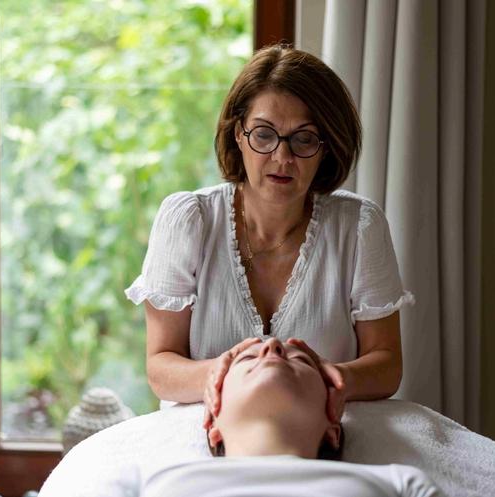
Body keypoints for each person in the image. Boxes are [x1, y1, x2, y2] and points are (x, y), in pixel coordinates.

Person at [125, 44, 414, 428]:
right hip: (201, 433)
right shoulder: (188, 221)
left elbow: (386, 365)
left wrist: (320, 380)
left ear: (327, 149)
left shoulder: (359, 226)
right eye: (264, 135)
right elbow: (161, 367)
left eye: (304, 139)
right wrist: (228, 374)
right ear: (238, 134)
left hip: (324, 431)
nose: (282, 157)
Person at [141, 338, 440, 497]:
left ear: (333, 426)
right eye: (247, 359)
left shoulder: (401, 482)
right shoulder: (147, 480)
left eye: (299, 360)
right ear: (212, 426)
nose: (272, 347)